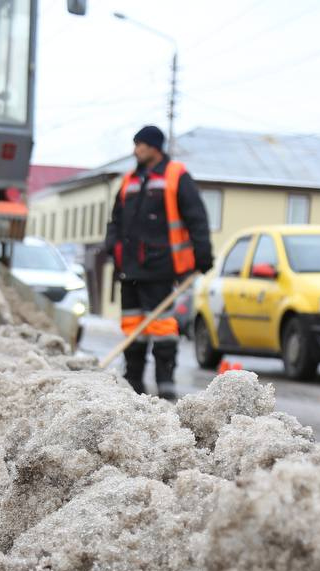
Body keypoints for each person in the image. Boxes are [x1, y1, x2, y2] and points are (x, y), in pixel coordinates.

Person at [104, 125, 214, 401]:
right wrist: (111, 246)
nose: (135, 150)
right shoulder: (129, 181)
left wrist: (203, 255)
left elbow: (196, 218)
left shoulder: (176, 176)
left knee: (163, 328)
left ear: (154, 147)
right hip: (129, 268)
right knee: (133, 327)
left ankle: (165, 384)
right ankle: (133, 383)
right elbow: (115, 220)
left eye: (140, 145)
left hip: (160, 267)